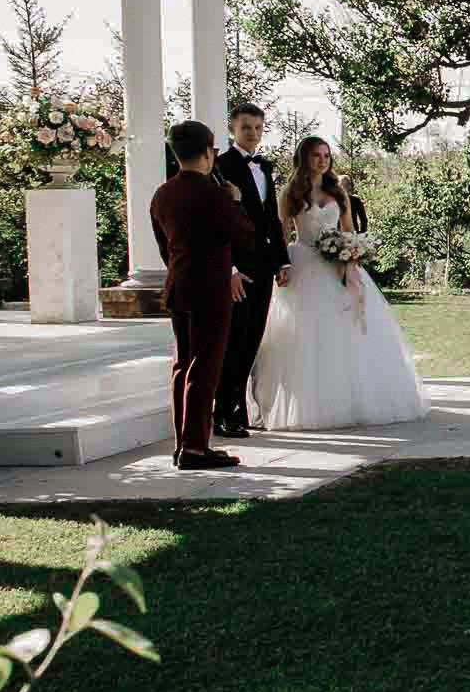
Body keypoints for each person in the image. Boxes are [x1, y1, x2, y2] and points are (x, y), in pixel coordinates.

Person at [250, 136, 430, 431]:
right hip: (304, 262)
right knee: (306, 334)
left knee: (349, 329)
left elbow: (348, 230)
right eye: (315, 155)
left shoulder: (338, 193)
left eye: (326, 155)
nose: (322, 160)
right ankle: (309, 405)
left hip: (338, 265)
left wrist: (350, 255)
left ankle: (354, 398)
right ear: (303, 158)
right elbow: (281, 234)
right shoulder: (291, 193)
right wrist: (279, 266)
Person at [150, 119, 253, 470]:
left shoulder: (162, 194)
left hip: (179, 285)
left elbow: (165, 247)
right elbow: (244, 235)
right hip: (210, 289)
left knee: (183, 365)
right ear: (209, 152)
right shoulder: (213, 192)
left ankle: (183, 443)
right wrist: (236, 202)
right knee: (205, 367)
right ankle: (195, 447)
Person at [211, 101, 289, 441]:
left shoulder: (265, 167)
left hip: (262, 266)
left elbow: (272, 218)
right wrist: (227, 268)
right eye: (246, 128)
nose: (253, 134)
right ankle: (223, 412)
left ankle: (238, 409)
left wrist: (282, 260)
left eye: (258, 128)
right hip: (236, 270)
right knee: (233, 340)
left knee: (251, 340)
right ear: (232, 129)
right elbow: (217, 224)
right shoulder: (221, 167)